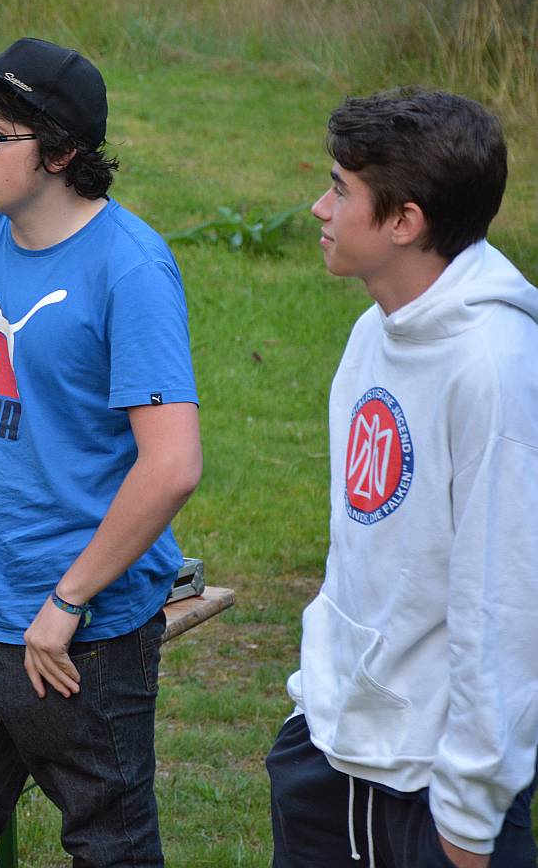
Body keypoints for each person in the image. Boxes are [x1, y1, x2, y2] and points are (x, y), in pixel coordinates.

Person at [0, 38, 203, 868]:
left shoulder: (130, 268)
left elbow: (171, 464)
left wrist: (67, 602)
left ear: (60, 153)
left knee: (107, 842)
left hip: (75, 634)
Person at [266, 89, 538, 868]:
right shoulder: (371, 331)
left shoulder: (495, 369)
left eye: (339, 189)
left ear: (403, 221)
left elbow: (506, 605)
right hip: (329, 754)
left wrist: (467, 816)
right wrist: (313, 705)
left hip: (432, 792)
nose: (319, 207)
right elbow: (361, 547)